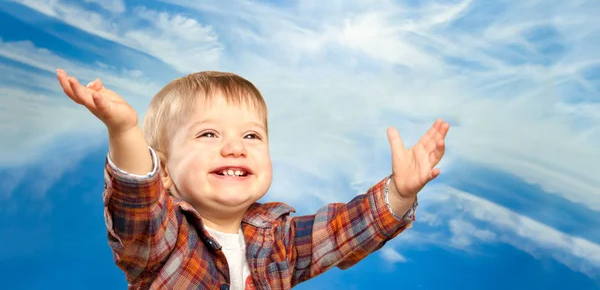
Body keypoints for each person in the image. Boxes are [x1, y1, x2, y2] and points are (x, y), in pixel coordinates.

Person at [56, 68, 449, 290]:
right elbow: (138, 202)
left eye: (251, 136)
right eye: (209, 134)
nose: (234, 148)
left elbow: (343, 232)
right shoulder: (162, 242)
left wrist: (398, 193)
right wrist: (125, 132)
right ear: (166, 171)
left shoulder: (276, 242)